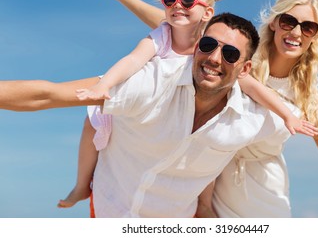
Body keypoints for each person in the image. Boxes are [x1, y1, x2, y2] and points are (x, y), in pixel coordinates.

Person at [104, 0, 318, 218]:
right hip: (209, 182)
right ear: (276, 23)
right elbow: (182, 25)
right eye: (289, 21)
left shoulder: (304, 96)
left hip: (263, 191)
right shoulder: (239, 59)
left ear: (315, 37)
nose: (297, 32)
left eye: (309, 27)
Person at [57, 0, 316, 209]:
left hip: (195, 124)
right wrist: (106, 85)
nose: (177, 6)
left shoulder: (212, 45)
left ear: (207, 12)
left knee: (208, 153)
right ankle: (82, 185)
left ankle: (203, 206)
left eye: (188, 2)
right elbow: (134, 58)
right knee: (92, 120)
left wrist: (286, 116)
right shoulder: (165, 35)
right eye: (170, 0)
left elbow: (253, 86)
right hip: (153, 109)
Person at [1, 12, 291, 217]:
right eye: (208, 45)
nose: (214, 58)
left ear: (245, 69)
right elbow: (47, 94)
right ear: (197, 46)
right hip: (108, 211)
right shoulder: (151, 83)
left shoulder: (254, 119)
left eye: (229, 54)